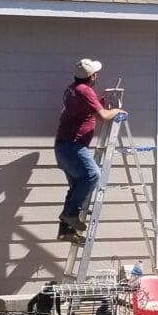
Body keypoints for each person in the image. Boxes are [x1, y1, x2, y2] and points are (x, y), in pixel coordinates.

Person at [54, 58, 124, 244]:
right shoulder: (85, 91)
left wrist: (98, 102)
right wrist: (117, 110)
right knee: (93, 175)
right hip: (73, 146)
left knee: (77, 186)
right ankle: (69, 215)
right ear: (92, 76)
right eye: (95, 73)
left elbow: (85, 109)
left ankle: (66, 231)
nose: (97, 76)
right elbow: (102, 116)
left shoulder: (72, 89)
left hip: (63, 147)